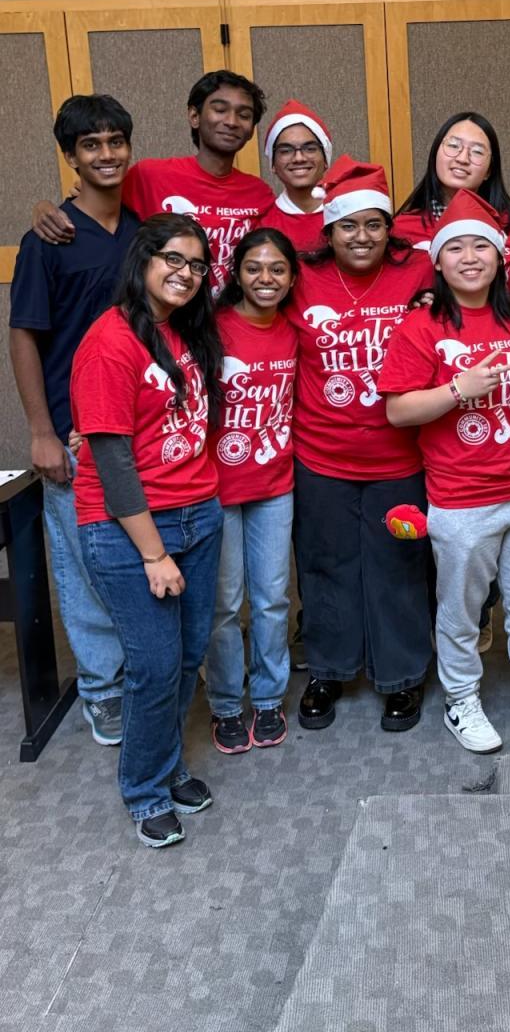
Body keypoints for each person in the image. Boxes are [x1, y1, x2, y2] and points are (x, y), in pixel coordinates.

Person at [380, 189, 510, 755]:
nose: (470, 257)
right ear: (438, 262)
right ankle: (461, 699)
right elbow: (397, 411)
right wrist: (457, 389)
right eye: (456, 248)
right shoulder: (421, 326)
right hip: (460, 499)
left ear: (501, 258)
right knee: (461, 611)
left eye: (481, 246)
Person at [70, 214, 224, 848]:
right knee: (154, 665)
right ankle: (144, 790)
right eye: (173, 259)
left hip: (199, 512)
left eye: (197, 265)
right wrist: (154, 554)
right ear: (144, 260)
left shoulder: (182, 331)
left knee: (186, 657)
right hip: (131, 528)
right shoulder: (110, 340)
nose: (185, 273)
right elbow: (112, 463)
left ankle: (166, 764)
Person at [9, 94, 140, 747]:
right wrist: (40, 431)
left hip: (144, 427)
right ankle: (103, 689)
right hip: (74, 431)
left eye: (116, 141)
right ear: (71, 157)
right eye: (91, 145)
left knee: (145, 555)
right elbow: (24, 336)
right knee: (84, 564)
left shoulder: (145, 234)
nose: (106, 154)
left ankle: (145, 674)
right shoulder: (47, 239)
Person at [288, 156, 435, 734]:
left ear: (388, 228)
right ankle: (329, 669)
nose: (362, 236)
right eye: (348, 225)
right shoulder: (301, 276)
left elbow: (479, 283)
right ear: (328, 230)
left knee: (399, 565)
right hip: (321, 456)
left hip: (400, 457)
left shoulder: (418, 270)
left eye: (374, 224)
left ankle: (401, 675)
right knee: (326, 565)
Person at [33, 70, 273, 294]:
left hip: (231, 318)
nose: (232, 121)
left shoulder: (259, 193)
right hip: (164, 316)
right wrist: (43, 208)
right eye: (220, 109)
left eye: (244, 115)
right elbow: (93, 199)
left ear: (252, 129)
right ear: (194, 116)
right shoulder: (149, 175)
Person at [206, 228, 299, 754]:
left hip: (273, 485)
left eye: (278, 269)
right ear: (236, 274)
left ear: (291, 278)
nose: (266, 278)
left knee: (271, 599)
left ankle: (267, 698)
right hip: (215, 487)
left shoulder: (293, 330)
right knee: (223, 604)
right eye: (254, 268)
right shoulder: (210, 327)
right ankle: (224, 703)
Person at [391, 111, 510, 288]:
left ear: (489, 170)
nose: (462, 158)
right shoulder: (401, 229)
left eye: (477, 151)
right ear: (435, 154)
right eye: (453, 145)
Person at [259, 99, 331, 253]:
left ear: (326, 159)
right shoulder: (261, 223)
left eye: (310, 149)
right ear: (273, 164)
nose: (299, 158)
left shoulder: (348, 214)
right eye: (286, 151)